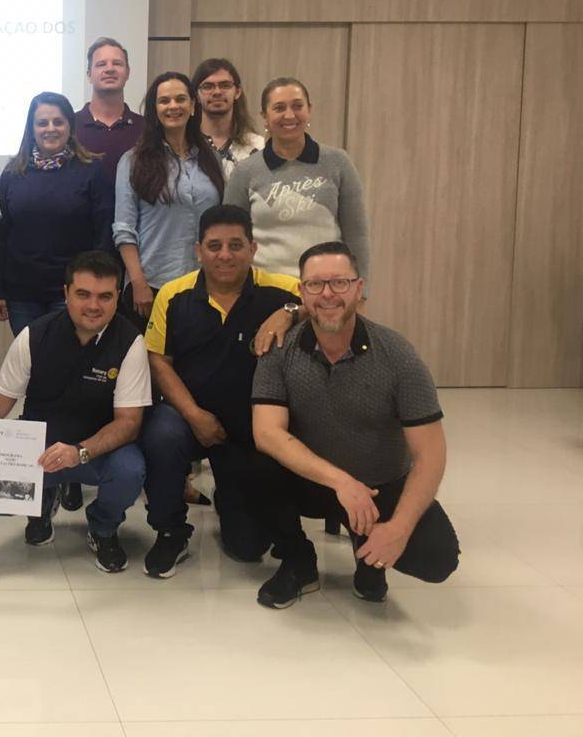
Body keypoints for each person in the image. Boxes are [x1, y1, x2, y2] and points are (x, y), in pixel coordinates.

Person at [252, 241, 460, 608]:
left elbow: (430, 455)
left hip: (379, 483)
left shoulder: (398, 356)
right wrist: (342, 482)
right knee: (251, 467)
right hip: (312, 481)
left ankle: (369, 557)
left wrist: (399, 528)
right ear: (301, 292)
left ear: (359, 288)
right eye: (315, 284)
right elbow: (267, 433)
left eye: (340, 283)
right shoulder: (279, 349)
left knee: (437, 558)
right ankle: (298, 563)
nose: (327, 294)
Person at [0, 250, 149, 574]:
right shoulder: (34, 336)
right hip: (40, 451)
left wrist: (79, 452)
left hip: (96, 452)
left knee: (130, 471)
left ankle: (103, 527)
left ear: (118, 297)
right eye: (83, 294)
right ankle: (42, 501)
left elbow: (129, 423)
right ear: (66, 293)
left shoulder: (130, 343)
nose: (93, 305)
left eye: (104, 296)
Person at [139, 204, 301, 579]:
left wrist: (291, 311)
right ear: (198, 250)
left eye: (235, 245)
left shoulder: (281, 290)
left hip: (248, 425)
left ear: (253, 249)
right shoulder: (173, 295)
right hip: (187, 416)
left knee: (248, 549)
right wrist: (194, 416)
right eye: (214, 246)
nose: (225, 255)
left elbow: (327, 303)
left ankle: (229, 495)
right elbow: (159, 361)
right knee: (161, 434)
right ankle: (171, 531)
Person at [224, 77, 371, 287]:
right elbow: (231, 238)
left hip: (326, 290)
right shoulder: (245, 171)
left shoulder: (338, 162)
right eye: (279, 108)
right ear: (264, 116)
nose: (289, 115)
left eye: (297, 106)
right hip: (264, 290)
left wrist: (360, 292)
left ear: (309, 110)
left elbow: (357, 235)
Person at [0, 91, 113, 335]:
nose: (50, 129)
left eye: (58, 122)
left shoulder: (92, 171)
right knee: (30, 357)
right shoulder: (13, 173)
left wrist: (97, 286)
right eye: (42, 123)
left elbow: (103, 234)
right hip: (21, 295)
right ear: (32, 129)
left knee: (70, 357)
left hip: (74, 292)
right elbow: (0, 236)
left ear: (70, 127)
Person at [114, 71, 224, 326]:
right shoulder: (133, 161)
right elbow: (124, 229)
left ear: (193, 105)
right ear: (155, 109)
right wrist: (138, 283)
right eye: (164, 101)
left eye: (180, 99)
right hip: (152, 285)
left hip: (204, 283)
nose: (173, 106)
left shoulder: (211, 159)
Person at [75, 37, 142, 185]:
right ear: (89, 75)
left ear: (128, 73)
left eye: (117, 63)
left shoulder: (146, 128)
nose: (110, 69)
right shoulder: (69, 126)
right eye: (101, 64)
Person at [191, 57, 264, 178]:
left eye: (225, 85)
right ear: (196, 95)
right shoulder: (185, 146)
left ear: (237, 92)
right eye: (208, 86)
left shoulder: (258, 147)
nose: (217, 92)